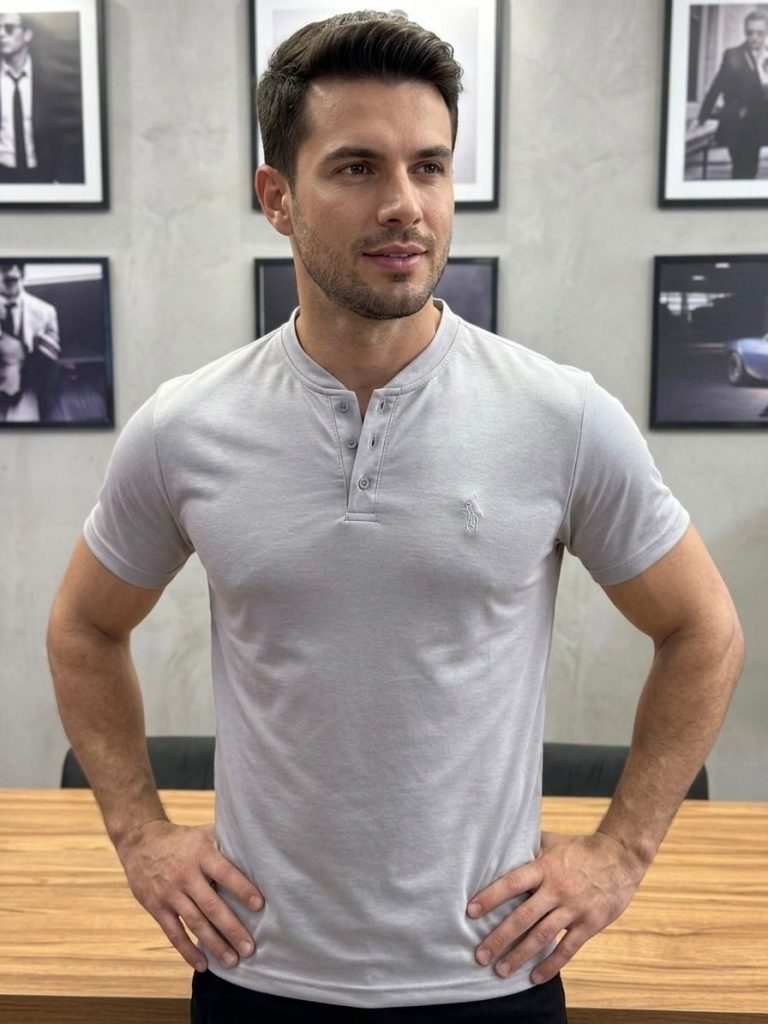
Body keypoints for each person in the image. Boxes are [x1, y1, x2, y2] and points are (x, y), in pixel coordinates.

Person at [47, 11, 744, 1024]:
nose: (404, 205)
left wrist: (620, 852)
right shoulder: (185, 427)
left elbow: (703, 630)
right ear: (277, 198)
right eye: (357, 168)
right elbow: (83, 625)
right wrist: (140, 836)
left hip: (492, 971)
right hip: (257, 972)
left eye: (430, 166)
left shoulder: (559, 415)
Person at [0, 11, 84, 184]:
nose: (1, 34)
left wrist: (63, 179)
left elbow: (69, 133)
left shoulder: (51, 80)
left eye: (9, 28)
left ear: (27, 34)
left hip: (43, 175)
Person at [698, 9, 768, 179]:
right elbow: (716, 87)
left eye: (759, 33)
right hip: (737, 124)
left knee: (751, 169)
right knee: (741, 170)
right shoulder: (733, 55)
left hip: (758, 125)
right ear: (745, 32)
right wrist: (702, 117)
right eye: (750, 32)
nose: (754, 38)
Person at [0, 262, 61, 422]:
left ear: (22, 273)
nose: (6, 273)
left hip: (26, 397)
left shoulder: (45, 312)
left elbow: (50, 369)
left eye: (11, 267)